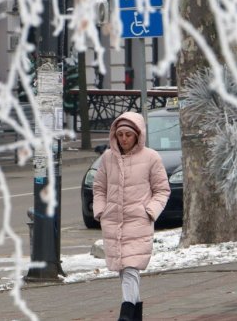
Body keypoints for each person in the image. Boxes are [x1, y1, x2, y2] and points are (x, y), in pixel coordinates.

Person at [93, 112, 170, 321]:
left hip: (138, 222)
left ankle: (125, 314)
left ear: (138, 135)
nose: (124, 139)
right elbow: (99, 187)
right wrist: (101, 210)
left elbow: (162, 190)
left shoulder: (151, 157)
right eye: (120, 134)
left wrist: (150, 211)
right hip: (113, 222)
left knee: (130, 268)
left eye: (128, 134)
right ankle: (134, 316)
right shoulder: (108, 158)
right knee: (123, 269)